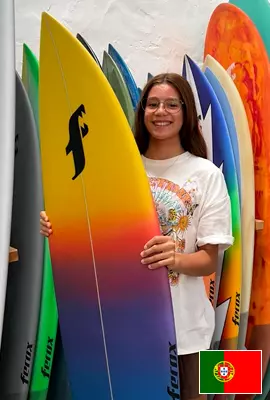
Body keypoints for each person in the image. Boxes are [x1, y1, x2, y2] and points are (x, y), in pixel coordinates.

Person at [40, 73, 233, 400]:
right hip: (126, 325)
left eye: (172, 104)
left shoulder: (207, 175)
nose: (161, 111)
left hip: (188, 331)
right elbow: (95, 236)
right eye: (153, 104)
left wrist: (175, 258)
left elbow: (208, 261)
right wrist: (57, 225)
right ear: (141, 111)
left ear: (186, 114)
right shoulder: (117, 170)